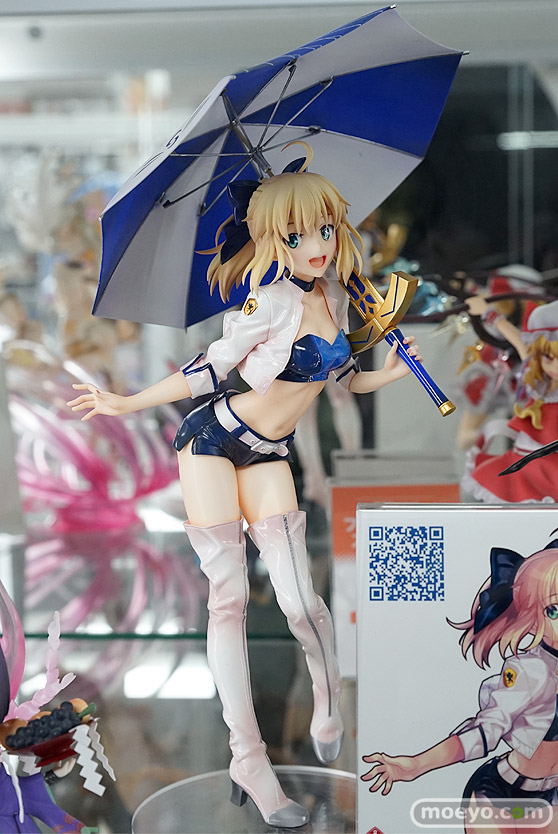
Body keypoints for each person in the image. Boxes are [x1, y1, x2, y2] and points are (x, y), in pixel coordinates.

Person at [68, 147, 421, 828]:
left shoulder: (336, 296)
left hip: (268, 453)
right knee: (228, 599)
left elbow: (345, 380)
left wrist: (396, 371)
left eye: (325, 229)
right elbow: (209, 368)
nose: (317, 246)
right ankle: (248, 759)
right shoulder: (270, 301)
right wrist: (127, 402)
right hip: (213, 440)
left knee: (301, 601)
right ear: (270, 240)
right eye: (296, 235)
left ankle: (328, 700)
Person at [361, 541, 558, 834]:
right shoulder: (531, 670)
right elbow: (485, 729)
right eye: (553, 610)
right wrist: (416, 765)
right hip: (500, 793)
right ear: (532, 615)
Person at [462, 299, 558, 503]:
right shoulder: (539, 381)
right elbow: (518, 341)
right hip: (524, 462)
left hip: (550, 468)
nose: (555, 367)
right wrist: (487, 312)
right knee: (486, 479)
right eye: (548, 358)